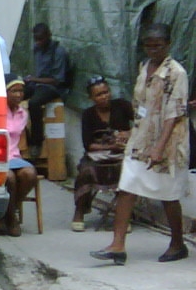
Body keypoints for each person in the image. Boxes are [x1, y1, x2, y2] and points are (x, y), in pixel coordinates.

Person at [91, 23, 190, 265]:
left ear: (168, 45)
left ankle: (178, 243)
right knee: (127, 187)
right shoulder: (144, 67)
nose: (153, 50)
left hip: (167, 143)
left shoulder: (177, 73)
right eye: (149, 45)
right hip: (140, 140)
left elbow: (173, 114)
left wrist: (159, 147)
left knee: (168, 195)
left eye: (158, 46)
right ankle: (117, 246)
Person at [71, 76, 133, 232]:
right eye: (99, 95)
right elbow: (89, 145)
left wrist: (128, 133)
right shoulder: (88, 114)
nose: (104, 96)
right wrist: (111, 145)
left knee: (129, 172)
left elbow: (141, 124)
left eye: (106, 92)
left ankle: (122, 216)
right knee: (85, 172)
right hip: (98, 155)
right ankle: (79, 212)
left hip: (121, 154)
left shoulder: (122, 106)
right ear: (91, 98)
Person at [0, 75, 39, 237]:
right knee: (9, 178)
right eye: (13, 91)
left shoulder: (23, 113)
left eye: (20, 91)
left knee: (30, 174)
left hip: (15, 156)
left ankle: (8, 213)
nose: (18, 95)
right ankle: (11, 218)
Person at [23, 23, 70, 157]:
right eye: (36, 39)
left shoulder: (58, 52)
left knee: (34, 103)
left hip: (53, 87)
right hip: (37, 83)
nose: (38, 42)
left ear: (49, 36)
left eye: (41, 39)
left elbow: (57, 80)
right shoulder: (37, 49)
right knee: (15, 95)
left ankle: (36, 142)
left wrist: (35, 80)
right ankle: (19, 134)